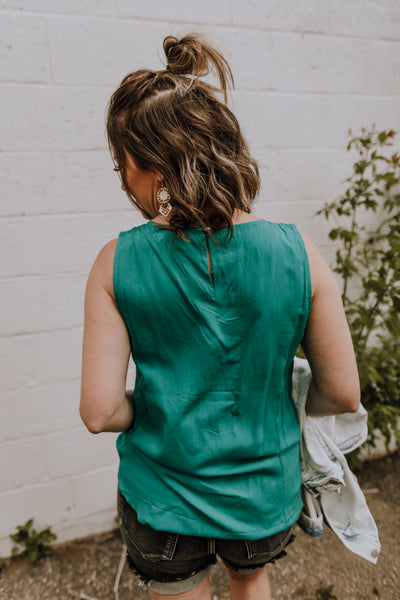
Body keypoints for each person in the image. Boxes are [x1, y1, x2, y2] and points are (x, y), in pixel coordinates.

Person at [80, 34, 360, 600]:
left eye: (120, 164)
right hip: (263, 495)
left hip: (164, 499)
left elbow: (100, 411)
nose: (121, 177)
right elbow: (343, 394)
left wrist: (155, 408)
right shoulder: (298, 253)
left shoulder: (116, 263)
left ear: (147, 166)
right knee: (251, 580)